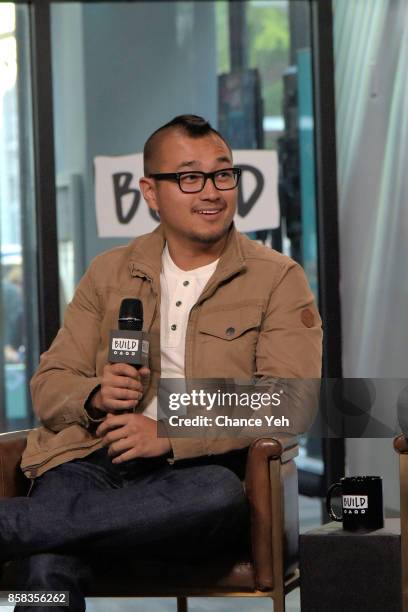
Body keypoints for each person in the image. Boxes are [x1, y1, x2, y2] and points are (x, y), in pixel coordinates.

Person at [0, 115, 322, 611]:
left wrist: (171, 431)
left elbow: (291, 401)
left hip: (198, 474)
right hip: (91, 462)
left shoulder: (277, 278)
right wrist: (94, 394)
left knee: (216, 495)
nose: (211, 192)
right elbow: (48, 385)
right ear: (150, 192)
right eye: (190, 178)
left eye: (223, 174)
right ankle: (45, 529)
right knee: (44, 570)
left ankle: (15, 525)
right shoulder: (108, 273)